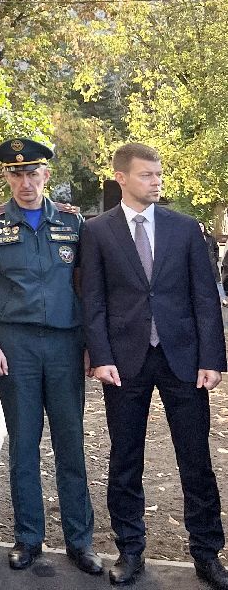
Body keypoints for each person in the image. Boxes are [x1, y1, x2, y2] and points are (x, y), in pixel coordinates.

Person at [81, 143, 228, 587]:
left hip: (183, 359)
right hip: (125, 362)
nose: (156, 181)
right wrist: (101, 357)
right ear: (121, 178)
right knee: (125, 459)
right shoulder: (97, 231)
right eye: (147, 175)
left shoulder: (184, 228)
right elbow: (93, 300)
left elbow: (206, 296)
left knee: (195, 460)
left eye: (159, 174)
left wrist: (211, 359)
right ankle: (130, 550)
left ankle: (207, 553)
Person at [0, 137, 101, 576]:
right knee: (23, 443)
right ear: (8, 177)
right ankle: (28, 538)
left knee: (70, 443)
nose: (25, 182)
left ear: (46, 175)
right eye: (16, 174)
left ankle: (80, 541)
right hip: (16, 344)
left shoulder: (73, 222)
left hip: (64, 343)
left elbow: (85, 285)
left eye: (32, 173)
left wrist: (91, 346)